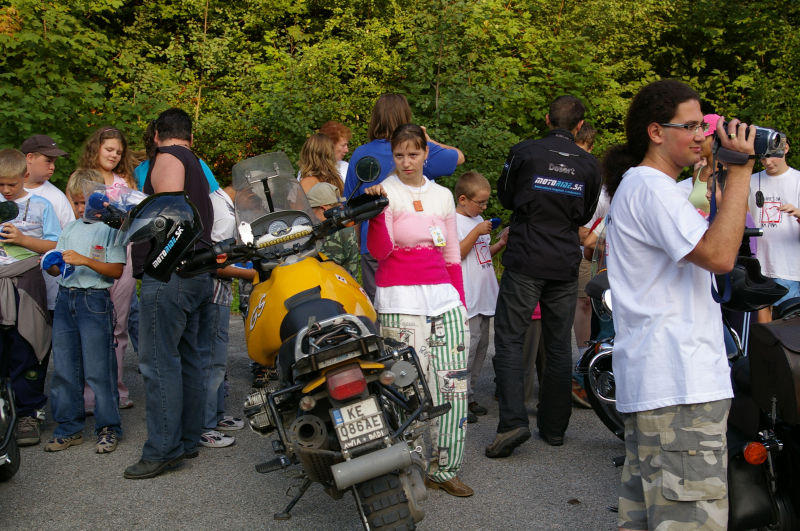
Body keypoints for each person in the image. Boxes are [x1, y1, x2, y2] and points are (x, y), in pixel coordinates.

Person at [603, 79, 755, 530]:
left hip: (662, 382)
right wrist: (743, 171)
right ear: (655, 132)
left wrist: (725, 180)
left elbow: (712, 245)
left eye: (703, 126)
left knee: (649, 517)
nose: (701, 136)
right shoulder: (651, 187)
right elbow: (720, 256)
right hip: (680, 383)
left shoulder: (651, 187)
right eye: (689, 126)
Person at [487, 95, 601, 457]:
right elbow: (584, 214)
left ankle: (513, 423)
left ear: (548, 119)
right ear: (579, 126)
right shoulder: (589, 164)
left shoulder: (525, 152)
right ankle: (553, 429)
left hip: (526, 258)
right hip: (563, 262)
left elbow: (505, 197)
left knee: (508, 339)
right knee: (557, 344)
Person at [365, 124, 472, 497]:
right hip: (399, 300)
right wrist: (377, 211)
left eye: (413, 154)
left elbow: (452, 252)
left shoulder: (443, 195)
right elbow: (380, 251)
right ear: (391, 156)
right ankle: (408, 468)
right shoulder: (383, 193)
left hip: (444, 298)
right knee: (407, 386)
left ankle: (445, 469)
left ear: (427, 153)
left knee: (453, 384)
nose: (407, 162)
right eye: (399, 155)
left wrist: (458, 298)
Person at [124, 108, 215, 480]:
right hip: (198, 273)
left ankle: (163, 449)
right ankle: (189, 439)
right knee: (190, 358)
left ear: (159, 133)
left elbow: (170, 219)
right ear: (190, 135)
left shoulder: (168, 158)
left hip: (173, 274)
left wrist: (124, 216)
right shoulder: (194, 162)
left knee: (159, 362)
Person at [344, 93, 464, 300]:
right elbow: (459, 157)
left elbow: (351, 205)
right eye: (399, 156)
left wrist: (359, 243)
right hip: (420, 246)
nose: (405, 161)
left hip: (371, 242)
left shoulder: (361, 154)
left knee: (380, 306)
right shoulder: (422, 152)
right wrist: (428, 140)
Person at [43, 169, 126, 454]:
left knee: (99, 368)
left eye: (85, 202)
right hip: (66, 299)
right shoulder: (70, 229)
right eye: (75, 203)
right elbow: (61, 267)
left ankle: (108, 427)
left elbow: (115, 271)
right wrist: (52, 264)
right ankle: (69, 427)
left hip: (94, 300)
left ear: (100, 199)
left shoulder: (111, 228)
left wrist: (85, 261)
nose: (81, 209)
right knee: (65, 368)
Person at [0, 148, 61, 447]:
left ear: (25, 175)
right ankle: (3, 410)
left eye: (11, 183)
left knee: (27, 345)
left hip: (28, 282)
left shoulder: (41, 205)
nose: (6, 190)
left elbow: (54, 243)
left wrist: (23, 240)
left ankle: (27, 411)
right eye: (0, 184)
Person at [78, 127, 138, 411]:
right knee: (90, 327)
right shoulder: (82, 180)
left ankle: (116, 391)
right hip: (87, 256)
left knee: (118, 327)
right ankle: (89, 396)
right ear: (96, 148)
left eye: (118, 151)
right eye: (109, 149)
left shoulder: (125, 182)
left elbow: (137, 218)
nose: (114, 155)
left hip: (120, 257)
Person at [200, 185, 255, 448]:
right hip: (212, 292)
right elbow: (216, 263)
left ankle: (216, 414)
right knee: (212, 358)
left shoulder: (224, 205)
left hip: (219, 293)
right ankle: (205, 424)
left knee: (218, 357)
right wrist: (253, 275)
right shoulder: (221, 211)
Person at [454, 171, 507, 422]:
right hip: (470, 299)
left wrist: (501, 242)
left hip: (486, 297)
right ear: (463, 199)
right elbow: (458, 254)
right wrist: (476, 231)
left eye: (486, 202)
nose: (484, 207)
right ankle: (458, 398)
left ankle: (470, 393)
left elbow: (483, 255)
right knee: (468, 348)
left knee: (481, 349)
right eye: (480, 202)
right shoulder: (454, 221)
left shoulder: (479, 219)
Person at [20, 135, 75, 318]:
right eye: (48, 161)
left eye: (54, 162)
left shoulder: (56, 198)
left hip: (47, 292)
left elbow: (70, 241)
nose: (52, 167)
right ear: (29, 158)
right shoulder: (7, 191)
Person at [748, 143, 800, 322]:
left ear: (785, 148)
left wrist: (798, 213)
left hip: (788, 266)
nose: (767, 162)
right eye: (762, 157)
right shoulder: (750, 181)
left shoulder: (798, 180)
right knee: (764, 335)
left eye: (771, 156)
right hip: (757, 265)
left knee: (789, 328)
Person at [307, 182, 359, 277]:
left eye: (311, 210)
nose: (310, 214)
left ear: (323, 209)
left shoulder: (327, 233)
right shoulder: (347, 228)